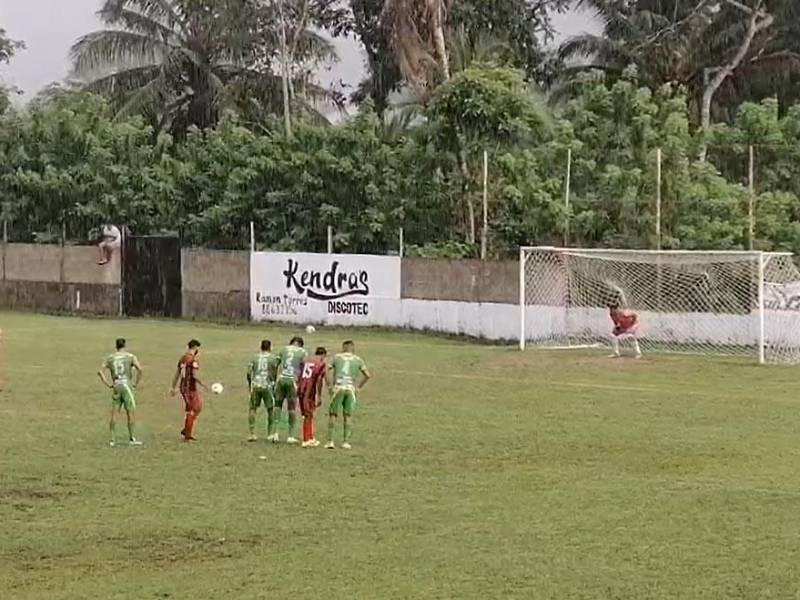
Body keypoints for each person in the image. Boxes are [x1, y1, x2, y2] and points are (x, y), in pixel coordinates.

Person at [97, 338, 143, 446]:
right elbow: (140, 369)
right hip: (127, 385)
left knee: (114, 412)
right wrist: (136, 383)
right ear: (124, 345)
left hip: (116, 385)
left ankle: (112, 439)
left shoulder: (110, 358)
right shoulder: (130, 357)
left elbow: (100, 371)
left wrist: (108, 384)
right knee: (130, 412)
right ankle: (131, 438)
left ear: (116, 346)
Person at [325, 341, 371, 450]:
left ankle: (330, 441)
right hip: (350, 389)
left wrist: (330, 386)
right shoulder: (358, 359)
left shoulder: (336, 357)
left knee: (333, 414)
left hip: (338, 388)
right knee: (348, 416)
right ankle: (346, 442)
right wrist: (358, 388)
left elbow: (325, 371)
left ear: (343, 347)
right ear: (353, 348)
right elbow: (368, 375)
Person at [170, 339, 207, 441]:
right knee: (192, 409)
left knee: (198, 406)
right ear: (195, 348)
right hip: (189, 388)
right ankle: (187, 435)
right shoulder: (193, 360)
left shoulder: (183, 358)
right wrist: (204, 384)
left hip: (185, 387)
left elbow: (177, 373)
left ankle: (187, 428)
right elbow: (194, 375)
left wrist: (173, 387)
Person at [274, 336, 308, 444]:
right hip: (292, 381)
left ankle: (275, 433)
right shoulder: (303, 352)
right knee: (292, 408)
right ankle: (290, 435)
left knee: (278, 406)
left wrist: (275, 378)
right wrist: (301, 383)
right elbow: (304, 368)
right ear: (301, 344)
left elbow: (275, 364)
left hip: (281, 379)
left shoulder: (284, 349)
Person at [246, 339, 280, 442]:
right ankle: (269, 433)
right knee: (270, 409)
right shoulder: (273, 358)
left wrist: (250, 382)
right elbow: (274, 372)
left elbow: (248, 372)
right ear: (270, 347)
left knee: (252, 408)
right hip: (267, 385)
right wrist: (273, 382)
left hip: (256, 384)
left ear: (260, 347)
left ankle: (252, 433)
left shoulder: (254, 357)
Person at [297, 347, 328, 448]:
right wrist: (319, 395)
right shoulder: (321, 364)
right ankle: (306, 439)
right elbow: (319, 380)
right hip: (309, 390)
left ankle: (310, 437)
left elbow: (299, 374)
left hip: (301, 388)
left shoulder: (306, 361)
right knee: (308, 414)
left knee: (308, 414)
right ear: (323, 355)